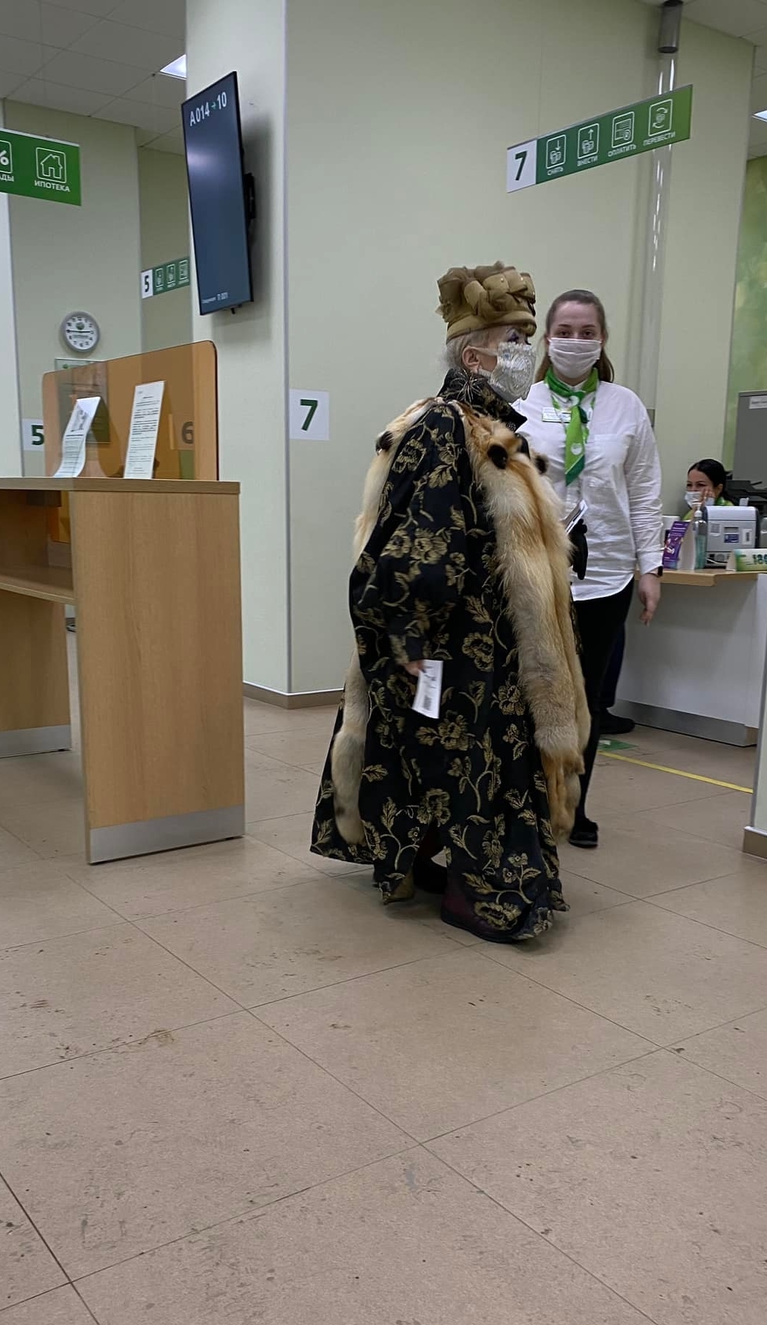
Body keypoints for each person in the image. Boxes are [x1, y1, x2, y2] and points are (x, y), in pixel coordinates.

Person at [310, 262, 589, 943]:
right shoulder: (445, 425)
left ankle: (424, 861)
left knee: (455, 757)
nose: (527, 353)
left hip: (487, 641)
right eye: (515, 341)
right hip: (459, 645)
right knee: (469, 764)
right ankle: (475, 890)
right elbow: (420, 536)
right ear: (474, 357)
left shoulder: (488, 428)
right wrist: (409, 632)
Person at [517, 289, 663, 849]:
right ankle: (529, 804)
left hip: (607, 574)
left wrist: (650, 568)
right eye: (565, 331)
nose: (575, 341)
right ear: (547, 339)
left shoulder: (625, 406)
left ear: (602, 340)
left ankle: (575, 807)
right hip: (539, 572)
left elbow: (644, 490)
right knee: (534, 692)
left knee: (589, 699)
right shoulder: (523, 403)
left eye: (587, 332)